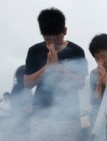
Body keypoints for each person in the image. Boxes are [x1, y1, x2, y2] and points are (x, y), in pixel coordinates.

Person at [24, 7, 88, 141]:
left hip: (69, 120)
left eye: (57, 39)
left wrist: (58, 68)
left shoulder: (77, 51)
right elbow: (28, 83)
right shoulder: (34, 51)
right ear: (42, 34)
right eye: (48, 39)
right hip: (40, 119)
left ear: (65, 31)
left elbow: (80, 83)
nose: (52, 44)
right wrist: (47, 67)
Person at [9, 65, 33, 141]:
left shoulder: (22, 87)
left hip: (23, 119)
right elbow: (16, 105)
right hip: (22, 119)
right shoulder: (19, 87)